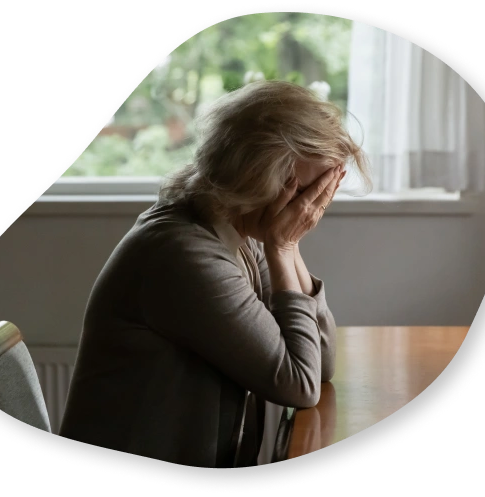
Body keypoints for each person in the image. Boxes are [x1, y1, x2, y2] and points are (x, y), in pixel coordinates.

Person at [59, 80, 371, 468]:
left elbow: (320, 362)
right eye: (306, 192)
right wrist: (285, 245)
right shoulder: (182, 254)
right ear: (257, 176)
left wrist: (286, 245)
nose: (311, 209)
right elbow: (299, 383)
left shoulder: (237, 231)